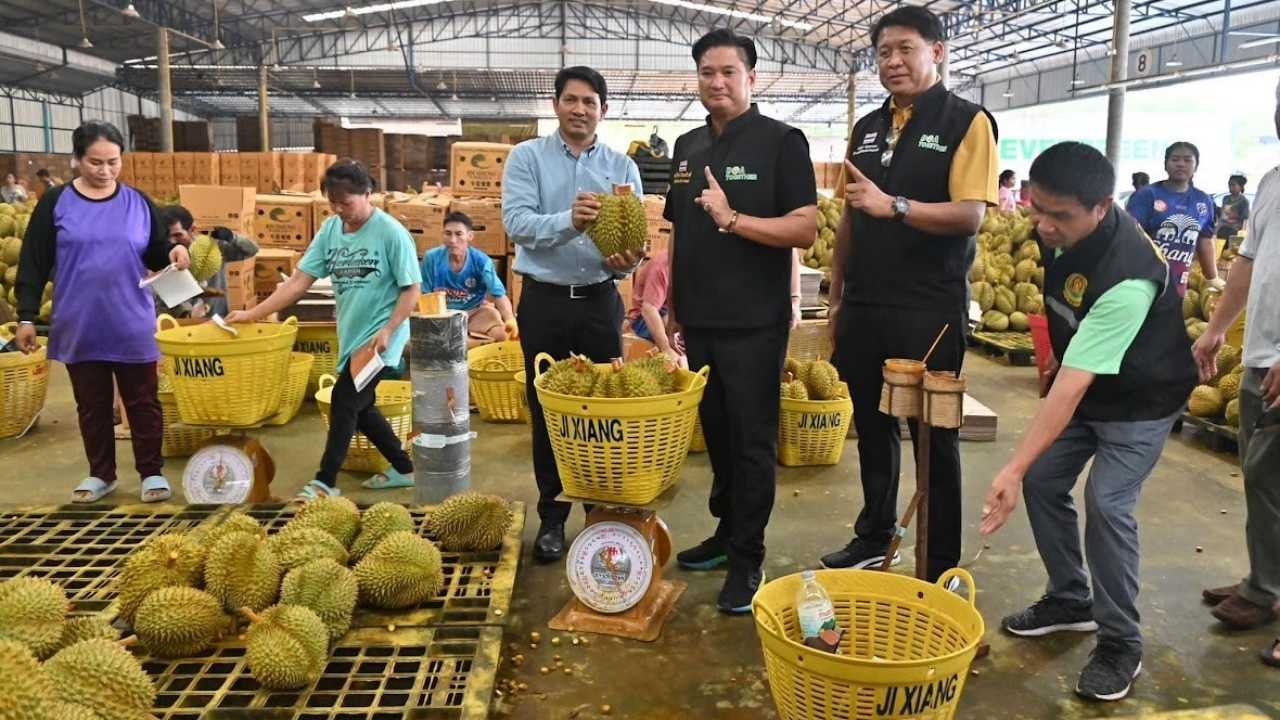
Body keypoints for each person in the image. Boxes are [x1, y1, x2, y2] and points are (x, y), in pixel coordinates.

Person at [981, 142, 1198, 702]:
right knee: (1046, 479)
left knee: (1107, 503)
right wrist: (1053, 355)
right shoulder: (1055, 233)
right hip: (1093, 382)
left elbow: (1074, 385)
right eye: (1037, 207)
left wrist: (1010, 466)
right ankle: (1071, 599)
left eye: (1061, 215)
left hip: (1142, 399)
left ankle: (1121, 641)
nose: (1045, 225)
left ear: (1101, 207)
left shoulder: (1128, 276)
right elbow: (1063, 315)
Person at [820, 6, 997, 583]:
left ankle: (938, 563)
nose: (892, 62)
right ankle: (873, 534)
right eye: (883, 53)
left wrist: (895, 206)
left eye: (905, 49)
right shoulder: (867, 128)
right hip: (867, 304)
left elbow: (971, 214)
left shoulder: (968, 122)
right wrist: (838, 293)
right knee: (873, 427)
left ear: (937, 52)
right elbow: (850, 215)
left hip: (929, 307)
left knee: (932, 437)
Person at [665, 28, 817, 614]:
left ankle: (749, 556)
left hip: (755, 321)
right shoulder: (686, 146)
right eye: (707, 72)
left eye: (729, 72)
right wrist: (676, 305)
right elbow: (679, 232)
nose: (717, 82)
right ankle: (726, 534)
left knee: (753, 441)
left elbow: (804, 227)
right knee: (719, 435)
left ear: (752, 77)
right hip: (699, 319)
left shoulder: (782, 142)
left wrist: (734, 220)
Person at [501, 66, 644, 563]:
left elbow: (633, 238)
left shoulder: (622, 166)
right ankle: (552, 517)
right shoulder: (527, 158)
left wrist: (629, 258)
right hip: (545, 302)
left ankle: (603, 518)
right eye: (571, 100)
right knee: (548, 413)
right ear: (556, 104)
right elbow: (516, 224)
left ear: (603, 110)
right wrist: (569, 221)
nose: (579, 109)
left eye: (589, 102)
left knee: (608, 412)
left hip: (601, 302)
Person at [13, 120, 189, 504]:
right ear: (77, 160)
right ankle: (101, 474)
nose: (105, 171)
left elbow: (156, 252)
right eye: (96, 162)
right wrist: (26, 316)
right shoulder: (56, 203)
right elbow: (33, 261)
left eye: (113, 162)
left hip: (130, 320)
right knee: (92, 405)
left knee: (143, 401)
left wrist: (175, 253)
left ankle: (151, 471)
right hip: (81, 321)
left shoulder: (139, 203)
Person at [226, 160, 421, 497]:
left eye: (347, 202)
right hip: (350, 335)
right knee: (361, 408)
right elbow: (299, 281)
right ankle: (404, 468)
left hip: (379, 340)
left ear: (368, 194)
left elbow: (412, 289)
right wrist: (252, 313)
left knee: (344, 401)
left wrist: (389, 329)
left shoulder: (391, 233)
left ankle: (324, 481)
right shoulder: (331, 231)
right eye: (334, 202)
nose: (340, 209)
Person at [1192, 81, 1279, 663]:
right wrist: (1218, 325)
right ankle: (1264, 587)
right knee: (1263, 483)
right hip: (1262, 358)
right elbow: (1247, 261)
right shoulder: (1273, 181)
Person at [1125, 142, 1220, 295]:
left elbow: (1205, 240)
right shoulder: (1146, 195)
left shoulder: (1203, 200)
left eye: (1187, 160)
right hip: (1143, 282)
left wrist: (1212, 278)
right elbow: (1128, 237)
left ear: (1196, 166)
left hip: (1178, 285)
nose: (1181, 164)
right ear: (1165, 164)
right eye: (1175, 159)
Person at [421, 211, 517, 342]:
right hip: (441, 314)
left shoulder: (481, 261)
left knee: (501, 334)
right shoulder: (431, 258)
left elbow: (498, 293)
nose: (453, 240)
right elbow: (425, 294)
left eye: (459, 234)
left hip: (474, 314)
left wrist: (510, 319)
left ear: (470, 236)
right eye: (448, 234)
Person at [156, 206, 260, 318]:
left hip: (217, 318)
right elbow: (163, 296)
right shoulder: (158, 254)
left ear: (192, 230)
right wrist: (187, 313)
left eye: (178, 235)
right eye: (167, 236)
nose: (172, 241)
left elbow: (252, 249)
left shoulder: (212, 247)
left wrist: (232, 237)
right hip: (178, 324)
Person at [625, 248, 677, 357]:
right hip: (643, 320)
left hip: (667, 310)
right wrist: (666, 349)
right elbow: (648, 309)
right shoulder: (662, 266)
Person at [1216, 174, 1250, 241]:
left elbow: (1245, 220)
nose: (1230, 187)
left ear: (1241, 187)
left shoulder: (1244, 201)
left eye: (1233, 185)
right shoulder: (1225, 199)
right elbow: (1222, 217)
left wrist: (1241, 235)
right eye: (1229, 185)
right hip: (1221, 229)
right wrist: (1216, 229)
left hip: (1234, 232)